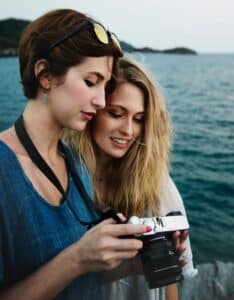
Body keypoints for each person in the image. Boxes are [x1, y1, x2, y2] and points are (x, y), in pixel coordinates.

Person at [0, 10, 154, 300]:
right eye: (90, 81)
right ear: (44, 75)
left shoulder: (76, 163)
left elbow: (82, 279)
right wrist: (76, 259)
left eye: (105, 85)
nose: (102, 101)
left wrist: (138, 258)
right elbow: (74, 264)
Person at [64, 57, 198, 300]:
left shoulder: (156, 184)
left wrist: (168, 257)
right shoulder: (61, 175)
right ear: (93, 110)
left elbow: (169, 286)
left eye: (138, 119)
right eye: (116, 113)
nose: (128, 130)